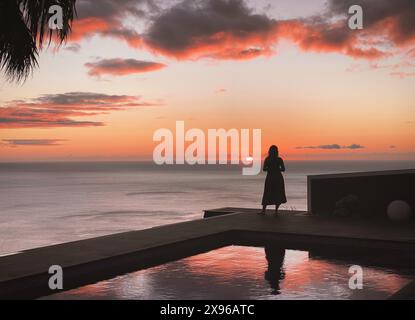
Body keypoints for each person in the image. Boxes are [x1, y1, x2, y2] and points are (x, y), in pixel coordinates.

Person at [260, 145, 287, 215]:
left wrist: (271, 169)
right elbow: (283, 169)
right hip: (278, 177)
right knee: (278, 193)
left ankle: (264, 211)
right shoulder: (279, 159)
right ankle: (276, 211)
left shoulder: (267, 159)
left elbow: (264, 169)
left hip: (270, 177)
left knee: (267, 193)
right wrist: (277, 169)